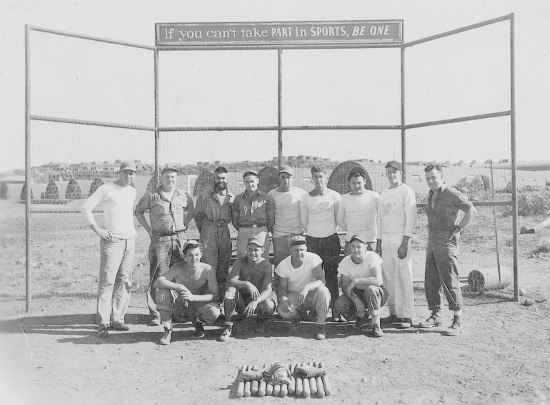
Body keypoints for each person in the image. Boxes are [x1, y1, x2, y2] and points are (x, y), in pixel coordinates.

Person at [418, 164, 477, 336]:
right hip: (432, 240)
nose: (431, 181)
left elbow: (471, 210)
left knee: (450, 279)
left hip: (447, 241)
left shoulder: (451, 193)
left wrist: (458, 228)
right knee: (431, 278)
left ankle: (457, 319)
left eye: (434, 177)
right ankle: (436, 315)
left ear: (441, 176)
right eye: (428, 178)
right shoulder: (431, 194)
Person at [81, 161, 137, 338]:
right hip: (112, 242)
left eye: (132, 173)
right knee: (107, 282)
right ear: (119, 172)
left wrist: (131, 235)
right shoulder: (106, 189)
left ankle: (118, 318)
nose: (129, 176)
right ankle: (103, 322)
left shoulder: (132, 191)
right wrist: (98, 230)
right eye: (126, 173)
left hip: (129, 241)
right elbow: (86, 208)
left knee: (125, 280)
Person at [134, 165, 194, 326]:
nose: (170, 180)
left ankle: (179, 311)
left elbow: (191, 210)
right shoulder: (152, 195)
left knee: (181, 274)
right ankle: (156, 313)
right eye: (167, 177)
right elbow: (138, 211)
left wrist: (184, 224)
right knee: (159, 275)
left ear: (177, 178)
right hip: (160, 241)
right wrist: (148, 229)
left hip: (180, 239)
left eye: (173, 177)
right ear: (162, 178)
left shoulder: (183, 195)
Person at [154, 240, 221, 345]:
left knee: (214, 312)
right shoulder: (178, 267)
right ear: (185, 256)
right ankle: (168, 330)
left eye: (197, 255)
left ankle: (198, 322)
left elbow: (215, 295)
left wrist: (194, 297)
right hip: (181, 306)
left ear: (201, 254)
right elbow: (158, 282)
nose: (194, 259)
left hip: (198, 306)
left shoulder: (207, 269)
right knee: (162, 293)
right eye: (190, 255)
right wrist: (179, 286)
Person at [375, 161, 417, 329]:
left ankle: (406, 316)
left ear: (401, 173)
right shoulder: (384, 193)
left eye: (395, 172)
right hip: (386, 239)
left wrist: (405, 241)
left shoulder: (407, 191)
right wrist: (378, 242)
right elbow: (380, 219)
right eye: (389, 172)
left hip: (401, 238)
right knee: (389, 278)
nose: (392, 175)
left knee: (404, 276)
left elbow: (411, 218)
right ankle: (393, 313)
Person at [218, 237, 276, 342]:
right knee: (230, 291)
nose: (252, 253)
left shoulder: (266, 265)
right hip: (241, 300)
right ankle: (228, 325)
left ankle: (260, 319)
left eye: (256, 250)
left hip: (255, 300)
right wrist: (247, 284)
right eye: (250, 249)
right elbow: (230, 281)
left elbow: (268, 289)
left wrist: (256, 301)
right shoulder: (240, 261)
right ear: (246, 249)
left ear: (263, 251)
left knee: (269, 305)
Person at [275, 235, 331, 340]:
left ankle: (320, 325)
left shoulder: (313, 258)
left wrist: (307, 287)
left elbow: (322, 280)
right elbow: (281, 287)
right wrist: (284, 300)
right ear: (290, 250)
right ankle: (298, 316)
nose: (299, 253)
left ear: (306, 249)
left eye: (302, 250)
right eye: (295, 250)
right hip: (294, 295)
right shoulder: (283, 265)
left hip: (311, 294)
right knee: (283, 310)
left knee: (324, 291)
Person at [300, 165, 341, 307]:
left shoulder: (334, 196)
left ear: (326, 177)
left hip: (330, 239)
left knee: (331, 274)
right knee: (314, 275)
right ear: (312, 178)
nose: (318, 180)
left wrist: (326, 232)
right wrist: (315, 234)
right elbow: (304, 222)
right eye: (315, 177)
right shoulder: (306, 198)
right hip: (312, 241)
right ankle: (316, 307)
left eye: (321, 176)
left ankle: (335, 307)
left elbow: (337, 218)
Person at [333, 234, 388, 338]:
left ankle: (376, 323)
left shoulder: (372, 256)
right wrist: (355, 299)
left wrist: (356, 281)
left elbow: (378, 281)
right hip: (357, 293)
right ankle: (363, 317)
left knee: (371, 289)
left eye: (359, 247)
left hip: (375, 293)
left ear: (365, 246)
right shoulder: (345, 262)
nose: (356, 250)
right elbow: (345, 286)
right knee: (339, 304)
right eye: (353, 246)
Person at [194, 166, 235, 298]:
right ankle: (207, 300)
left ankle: (222, 301)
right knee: (208, 267)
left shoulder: (232, 197)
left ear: (227, 179)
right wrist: (206, 233)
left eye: (223, 178)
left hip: (225, 234)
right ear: (214, 178)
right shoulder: (204, 196)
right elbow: (198, 217)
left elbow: (235, 217)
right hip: (209, 233)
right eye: (218, 178)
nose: (221, 181)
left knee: (223, 269)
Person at [268, 166, 307, 268]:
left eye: (288, 177)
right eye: (283, 177)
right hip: (279, 236)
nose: (286, 180)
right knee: (280, 266)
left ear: (293, 178)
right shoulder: (272, 194)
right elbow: (269, 215)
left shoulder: (301, 193)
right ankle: (279, 284)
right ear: (279, 178)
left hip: (296, 234)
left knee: (297, 265)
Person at [232, 170, 275, 260]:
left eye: (252, 181)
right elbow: (235, 220)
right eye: (247, 182)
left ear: (257, 181)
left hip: (261, 231)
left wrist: (264, 229)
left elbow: (271, 219)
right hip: (244, 231)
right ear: (244, 182)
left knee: (262, 258)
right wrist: (243, 229)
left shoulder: (266, 198)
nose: (250, 184)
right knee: (243, 258)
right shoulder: (238, 199)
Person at [337, 166, 380, 254]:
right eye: (353, 183)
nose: (356, 186)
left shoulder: (375, 197)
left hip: (370, 241)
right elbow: (340, 220)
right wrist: (352, 229)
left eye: (359, 182)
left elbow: (382, 218)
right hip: (351, 241)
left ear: (364, 181)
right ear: (349, 182)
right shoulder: (345, 199)